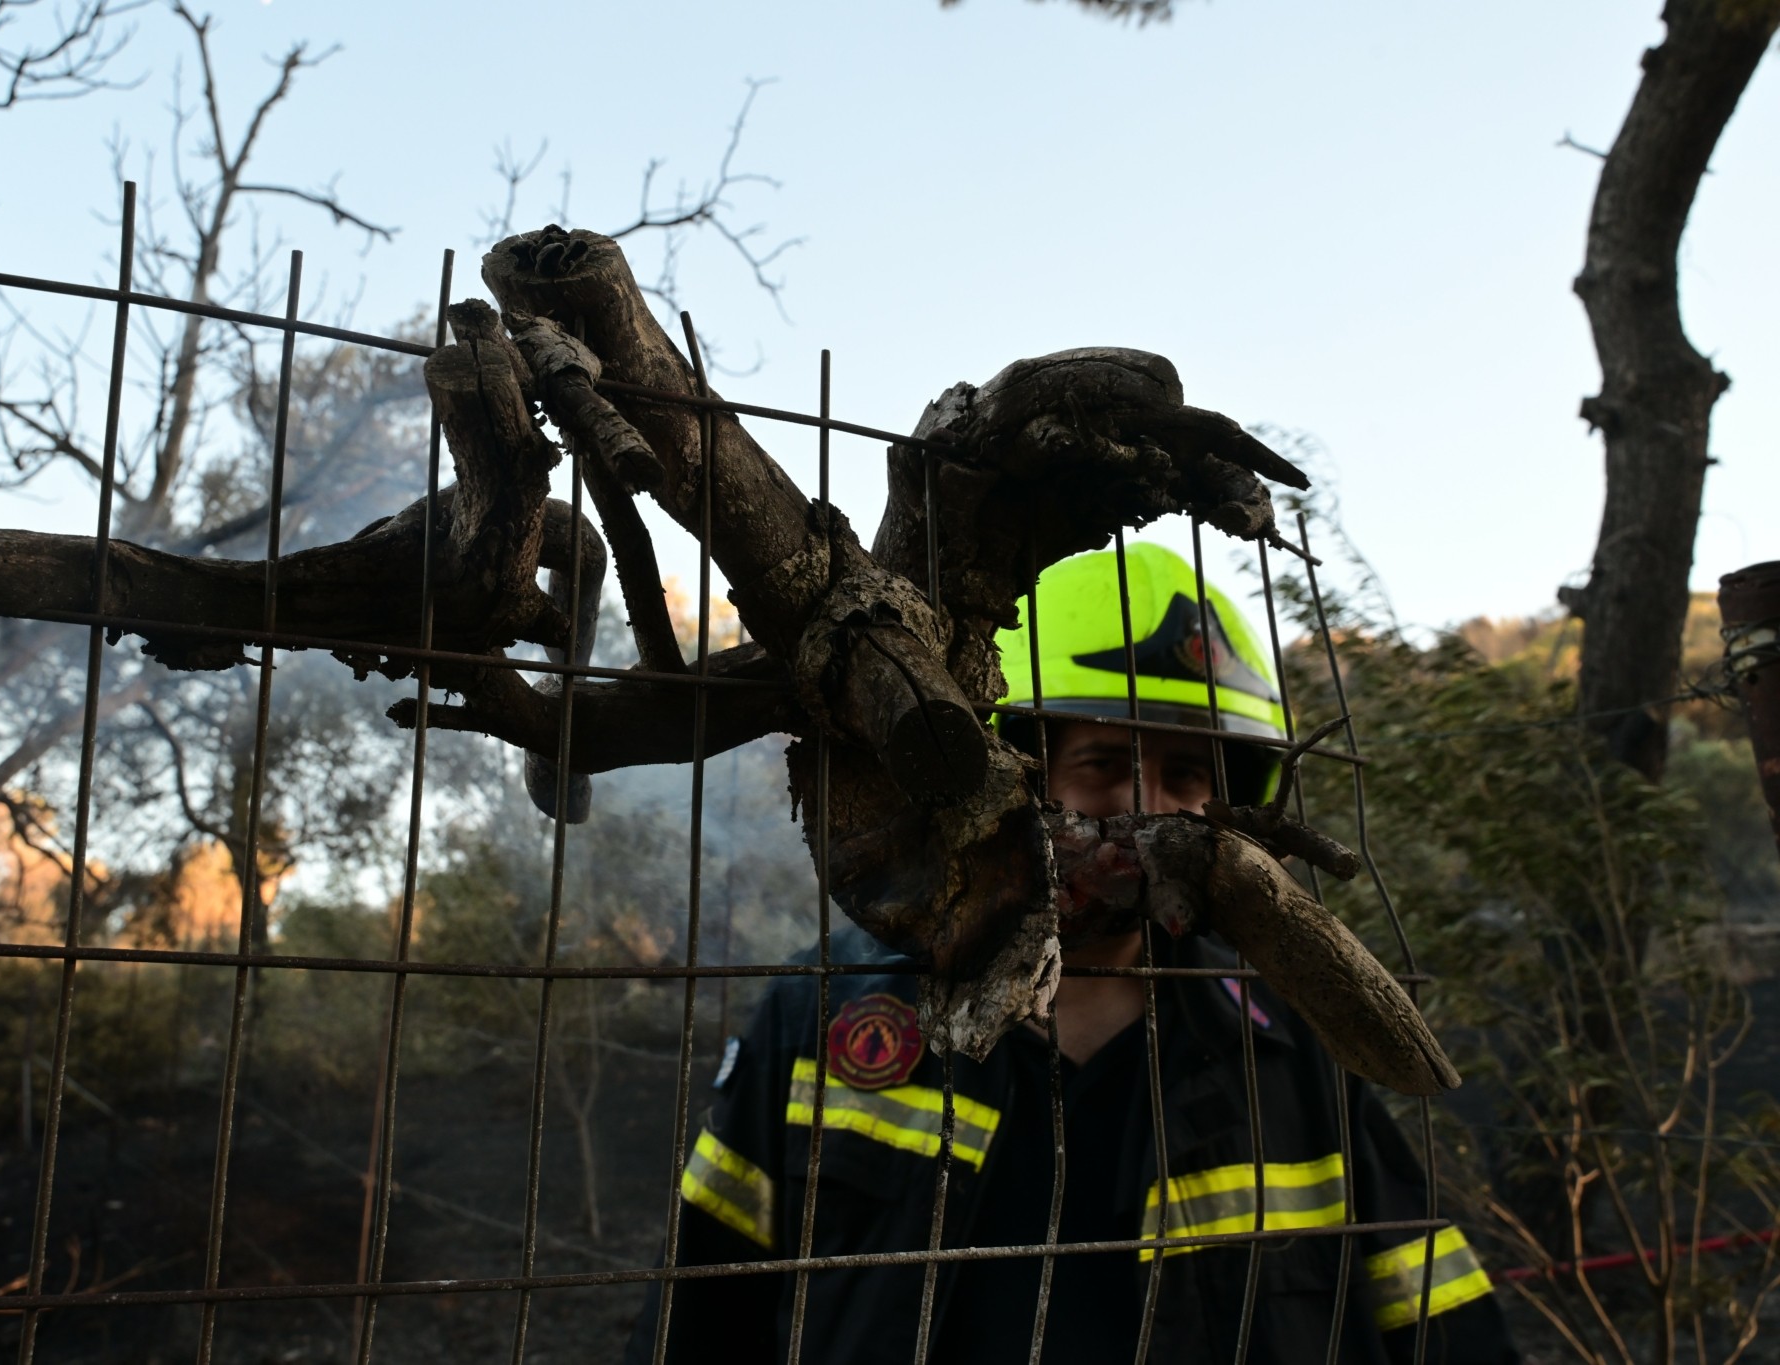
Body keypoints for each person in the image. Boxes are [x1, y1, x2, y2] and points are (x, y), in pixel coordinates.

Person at [627, 544, 1518, 1365]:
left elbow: (1443, 1326)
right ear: (1007, 775)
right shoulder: (822, 1015)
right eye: (1101, 763)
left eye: (1188, 776)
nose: (1148, 808)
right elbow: (694, 1318)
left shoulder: (1297, 1046)